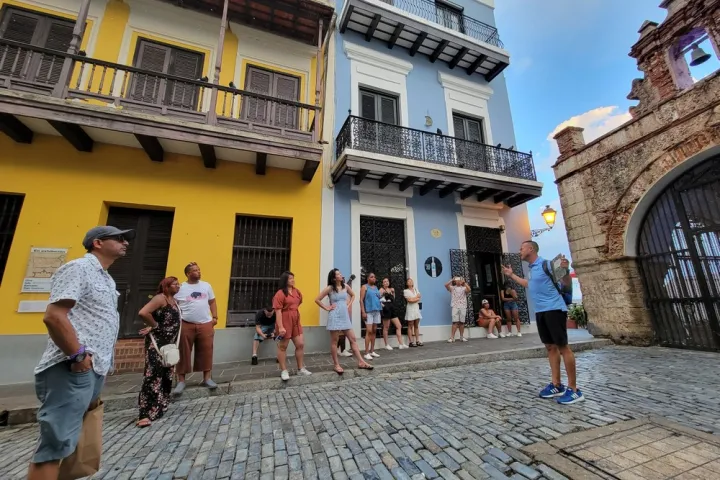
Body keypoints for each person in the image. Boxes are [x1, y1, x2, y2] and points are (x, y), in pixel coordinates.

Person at [28, 225, 133, 480]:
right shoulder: (78, 268)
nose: (125, 242)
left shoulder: (106, 278)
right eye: (119, 238)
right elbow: (54, 316)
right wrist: (77, 356)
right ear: (97, 243)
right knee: (55, 445)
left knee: (71, 442)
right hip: (72, 368)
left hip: (93, 368)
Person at [503, 242, 583, 405]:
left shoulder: (547, 264)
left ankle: (574, 390)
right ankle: (556, 385)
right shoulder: (532, 269)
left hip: (554, 309)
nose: (520, 250)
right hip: (541, 312)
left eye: (522, 248)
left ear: (531, 249)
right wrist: (511, 275)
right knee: (550, 347)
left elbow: (566, 282)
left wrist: (566, 270)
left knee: (563, 347)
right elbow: (528, 284)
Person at [136, 276, 182, 428]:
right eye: (175, 284)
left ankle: (160, 406)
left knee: (166, 374)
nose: (178, 286)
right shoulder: (160, 298)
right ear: (166, 286)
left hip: (169, 344)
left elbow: (165, 319)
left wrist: (154, 324)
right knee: (152, 375)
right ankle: (145, 413)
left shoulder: (174, 301)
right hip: (157, 344)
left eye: (178, 284)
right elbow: (144, 312)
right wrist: (154, 325)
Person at [315, 269, 374, 374]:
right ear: (333, 277)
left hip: (344, 316)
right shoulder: (330, 288)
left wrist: (349, 304)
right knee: (334, 341)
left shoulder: (345, 286)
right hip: (334, 316)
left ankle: (361, 362)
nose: (340, 275)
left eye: (340, 273)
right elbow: (317, 299)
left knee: (353, 339)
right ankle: (336, 365)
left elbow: (353, 295)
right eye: (338, 274)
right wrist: (327, 308)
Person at [174, 262, 218, 395]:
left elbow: (212, 301)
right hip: (186, 323)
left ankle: (207, 378)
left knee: (206, 350)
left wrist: (215, 317)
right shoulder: (181, 288)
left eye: (199, 270)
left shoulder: (206, 285)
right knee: (183, 351)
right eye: (195, 270)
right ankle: (181, 380)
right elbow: (174, 305)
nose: (198, 272)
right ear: (188, 274)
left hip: (205, 323)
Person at [274, 271, 312, 381]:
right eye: (290, 278)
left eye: (293, 278)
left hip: (295, 319)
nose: (293, 280)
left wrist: (293, 313)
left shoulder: (297, 292)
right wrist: (280, 327)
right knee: (283, 346)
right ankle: (284, 370)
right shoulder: (280, 293)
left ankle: (300, 369)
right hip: (284, 319)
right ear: (285, 280)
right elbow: (278, 311)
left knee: (300, 344)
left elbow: (298, 303)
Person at [379, 277, 407, 350]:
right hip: (386, 309)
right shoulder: (381, 290)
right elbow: (377, 299)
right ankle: (386, 345)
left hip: (392, 308)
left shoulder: (391, 289)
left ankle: (401, 344)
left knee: (399, 325)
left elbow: (393, 299)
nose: (386, 282)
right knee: (386, 327)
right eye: (384, 281)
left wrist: (393, 292)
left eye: (387, 281)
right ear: (382, 283)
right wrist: (383, 306)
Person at [360, 273, 383, 360]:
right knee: (369, 331)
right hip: (368, 311)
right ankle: (366, 353)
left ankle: (372, 351)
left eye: (374, 277)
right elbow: (361, 300)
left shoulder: (376, 287)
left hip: (377, 311)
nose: (373, 278)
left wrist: (381, 295)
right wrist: (363, 311)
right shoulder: (364, 287)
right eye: (371, 277)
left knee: (374, 331)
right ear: (368, 278)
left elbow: (378, 297)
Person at [445, 276, 470, 342]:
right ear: (455, 281)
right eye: (457, 280)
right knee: (454, 322)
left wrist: (464, 283)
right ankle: (452, 337)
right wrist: (451, 280)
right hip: (455, 306)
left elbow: (469, 290)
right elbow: (446, 285)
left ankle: (461, 337)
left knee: (462, 322)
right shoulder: (452, 288)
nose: (458, 282)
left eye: (459, 280)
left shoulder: (464, 288)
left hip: (463, 306)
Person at [404, 278, 423, 347]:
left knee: (416, 325)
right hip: (410, 309)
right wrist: (416, 298)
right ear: (407, 283)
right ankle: (411, 341)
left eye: (411, 281)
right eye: (408, 281)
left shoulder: (415, 289)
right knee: (410, 325)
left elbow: (419, 297)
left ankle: (417, 340)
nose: (410, 282)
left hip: (416, 308)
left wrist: (414, 299)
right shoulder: (405, 291)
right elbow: (409, 300)